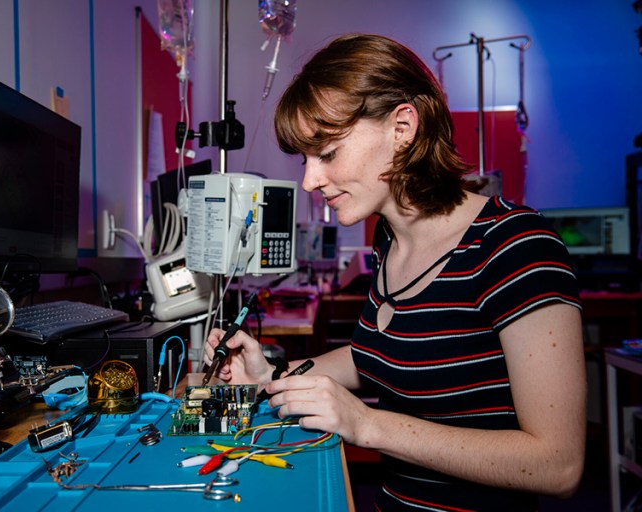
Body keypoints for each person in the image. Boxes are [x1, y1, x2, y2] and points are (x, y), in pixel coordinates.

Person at [203, 34, 586, 511]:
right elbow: (379, 354)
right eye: (304, 159)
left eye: (328, 153)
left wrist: (368, 425)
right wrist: (270, 376)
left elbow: (558, 465)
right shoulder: (390, 238)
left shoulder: (514, 247)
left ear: (403, 127)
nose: (309, 180)